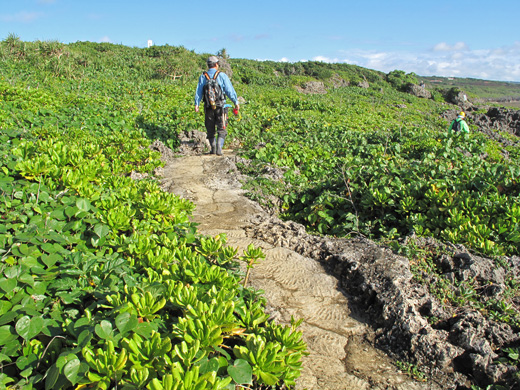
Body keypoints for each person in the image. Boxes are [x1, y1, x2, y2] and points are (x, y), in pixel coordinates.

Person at [194, 56, 240, 156]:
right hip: (221, 106)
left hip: (208, 106)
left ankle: (213, 147)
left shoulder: (203, 76)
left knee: (210, 129)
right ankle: (219, 146)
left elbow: (199, 92)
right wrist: (235, 102)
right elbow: (229, 90)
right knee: (221, 128)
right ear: (216, 64)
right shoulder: (222, 75)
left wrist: (196, 104)